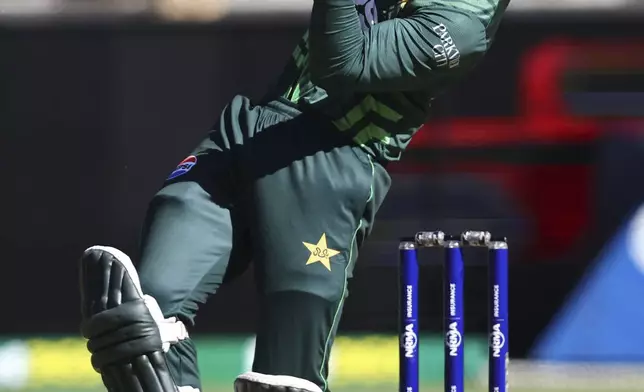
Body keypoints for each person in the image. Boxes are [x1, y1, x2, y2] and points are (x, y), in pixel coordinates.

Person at [79, 0, 510, 391]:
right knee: (140, 325)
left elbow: (342, 62)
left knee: (282, 380)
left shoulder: (461, 25)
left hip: (329, 158)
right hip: (249, 130)